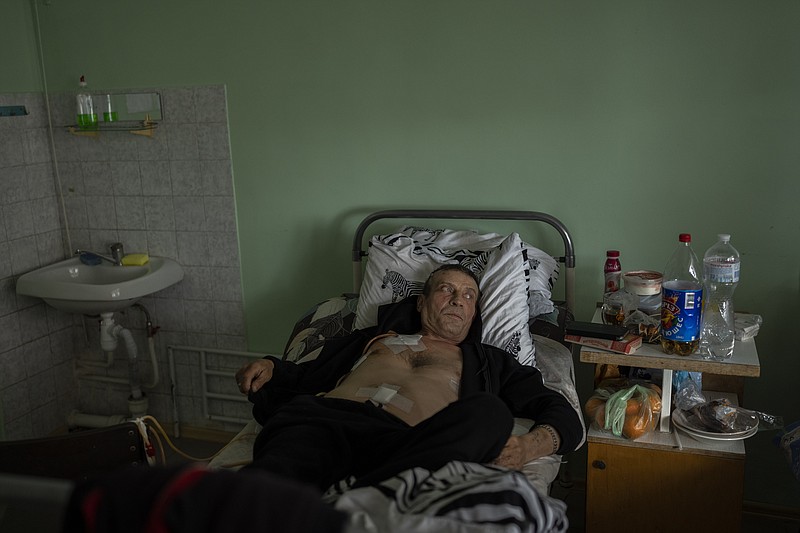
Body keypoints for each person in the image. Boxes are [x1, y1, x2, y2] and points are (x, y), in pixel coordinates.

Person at [235, 264, 583, 492]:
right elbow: (306, 377)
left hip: (406, 442)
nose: (457, 300)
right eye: (446, 289)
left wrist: (527, 447)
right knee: (261, 488)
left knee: (489, 412)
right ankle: (373, 493)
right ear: (421, 302)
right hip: (325, 423)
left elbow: (561, 410)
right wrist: (271, 368)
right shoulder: (372, 340)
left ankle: (367, 491)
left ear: (474, 311)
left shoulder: (489, 362)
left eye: (468, 296)